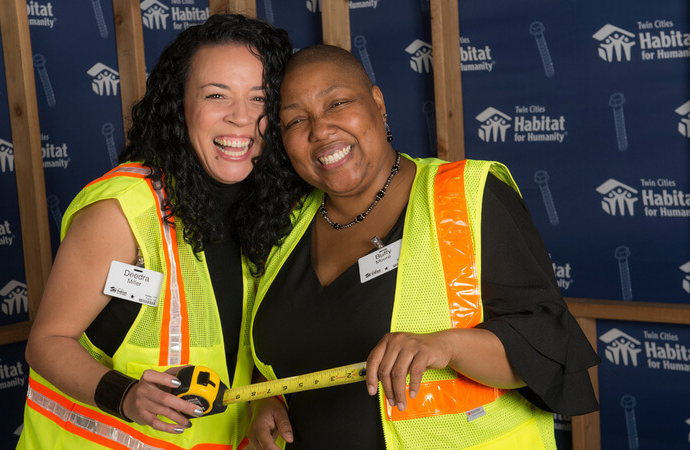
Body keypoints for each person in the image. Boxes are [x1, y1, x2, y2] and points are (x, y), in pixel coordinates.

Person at [246, 45, 600, 449]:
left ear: (378, 103)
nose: (321, 129)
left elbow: (544, 346)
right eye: (296, 120)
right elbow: (287, 349)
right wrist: (266, 396)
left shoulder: (467, 196)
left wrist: (446, 345)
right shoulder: (284, 226)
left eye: (338, 103)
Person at [17, 15, 305, 450]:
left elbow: (243, 339)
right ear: (179, 103)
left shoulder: (274, 207)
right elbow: (46, 342)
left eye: (260, 98)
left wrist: (267, 398)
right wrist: (126, 394)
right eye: (216, 95)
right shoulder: (123, 211)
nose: (241, 118)